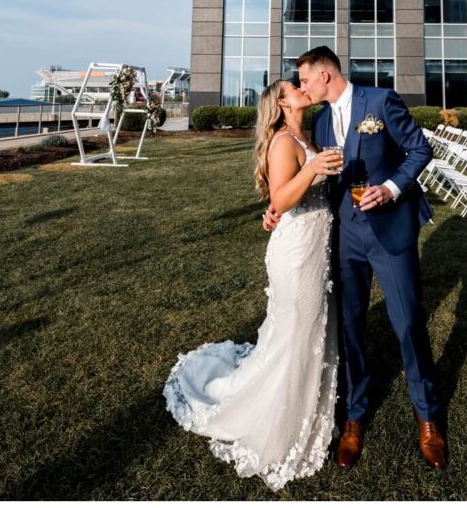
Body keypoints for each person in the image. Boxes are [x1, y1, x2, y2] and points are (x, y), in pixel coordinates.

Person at [264, 46, 446, 470]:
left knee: (408, 322)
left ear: (325, 75)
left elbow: (419, 150)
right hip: (344, 237)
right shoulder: (321, 121)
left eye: (305, 79)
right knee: (349, 327)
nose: (302, 87)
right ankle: (354, 415)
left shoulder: (380, 102)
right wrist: (277, 206)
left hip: (389, 231)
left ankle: (428, 415)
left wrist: (392, 188)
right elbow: (309, 178)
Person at [164, 80, 343, 491]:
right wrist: (312, 170)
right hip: (296, 252)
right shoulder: (284, 141)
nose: (301, 88)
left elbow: (282, 199)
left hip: (313, 246)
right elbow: (281, 198)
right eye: (293, 87)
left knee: (306, 331)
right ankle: (278, 425)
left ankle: (307, 410)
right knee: (295, 332)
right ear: (282, 103)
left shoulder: (307, 134)